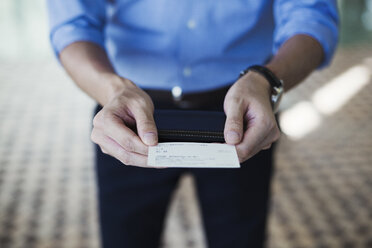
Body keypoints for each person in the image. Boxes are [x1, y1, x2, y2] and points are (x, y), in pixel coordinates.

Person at [47, 1, 338, 247]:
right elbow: (72, 23)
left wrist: (267, 79)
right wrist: (112, 91)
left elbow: (312, 16)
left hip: (244, 106)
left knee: (240, 238)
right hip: (126, 111)